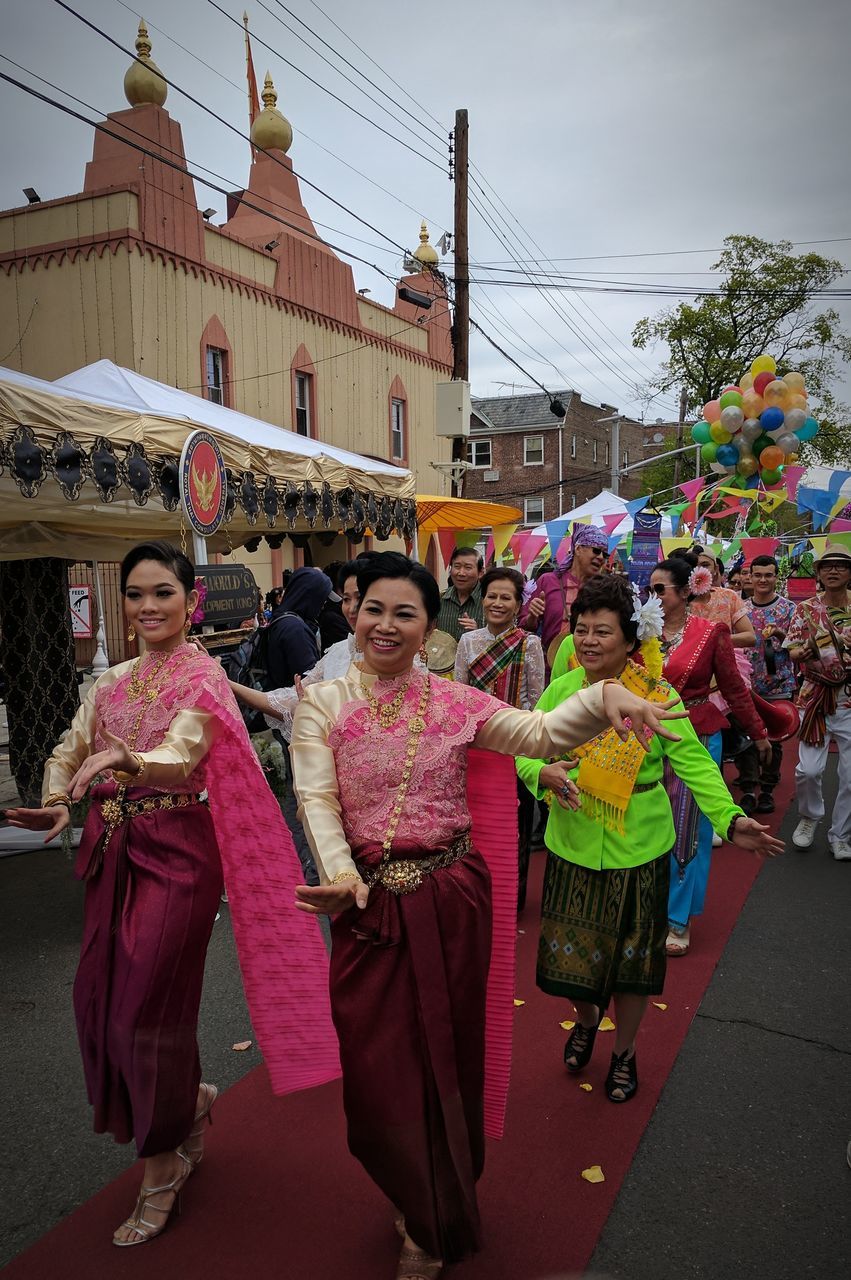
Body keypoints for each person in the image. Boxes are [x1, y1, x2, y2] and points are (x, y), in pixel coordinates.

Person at [287, 551, 686, 1279]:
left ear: (425, 626)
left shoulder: (456, 701)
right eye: (373, 608)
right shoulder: (321, 703)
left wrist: (602, 701)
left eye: (404, 612)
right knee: (376, 1072)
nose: (385, 624)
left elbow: (535, 734)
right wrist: (341, 876)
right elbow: (315, 798)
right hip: (367, 907)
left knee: (445, 1055)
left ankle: (429, 1208)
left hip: (450, 897)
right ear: (353, 614)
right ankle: (406, 1178)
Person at [4, 541, 337, 1247]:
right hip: (111, 853)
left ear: (193, 603)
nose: (147, 606)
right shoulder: (113, 680)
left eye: (162, 593)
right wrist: (59, 797)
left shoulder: (205, 678)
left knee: (141, 1010)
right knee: (99, 998)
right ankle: (185, 1104)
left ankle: (162, 1167)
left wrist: (132, 761)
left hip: (180, 855)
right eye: (135, 594)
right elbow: (71, 743)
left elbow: (183, 755)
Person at [516, 576, 781, 1102]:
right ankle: (588, 1021)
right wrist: (538, 774)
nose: (588, 641)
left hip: (641, 848)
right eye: (581, 630)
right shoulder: (564, 690)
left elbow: (697, 768)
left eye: (603, 632)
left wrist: (730, 820)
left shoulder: (657, 697)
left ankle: (624, 1052)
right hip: (571, 845)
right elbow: (523, 745)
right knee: (572, 969)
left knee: (633, 970)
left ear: (632, 641)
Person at [649, 555, 770, 957]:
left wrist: (758, 732)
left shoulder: (710, 633)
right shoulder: (639, 632)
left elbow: (734, 688)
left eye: (659, 590)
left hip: (696, 735)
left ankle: (678, 919)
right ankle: (648, 907)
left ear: (685, 592)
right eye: (648, 589)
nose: (651, 597)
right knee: (649, 823)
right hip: (645, 738)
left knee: (688, 829)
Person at [454, 567, 546, 910]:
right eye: (491, 595)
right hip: (475, 746)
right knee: (473, 822)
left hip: (514, 746)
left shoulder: (529, 643)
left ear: (517, 604)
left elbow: (536, 699)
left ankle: (512, 896)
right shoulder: (468, 641)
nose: (496, 602)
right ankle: (474, 892)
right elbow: (460, 695)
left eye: (505, 597)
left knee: (515, 824)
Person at [785, 542, 851, 859]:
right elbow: (793, 650)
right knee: (808, 770)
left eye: (840, 565)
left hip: (850, 701)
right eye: (827, 566)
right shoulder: (806, 609)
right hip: (815, 698)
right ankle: (810, 816)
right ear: (819, 573)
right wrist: (810, 648)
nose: (834, 570)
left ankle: (841, 834)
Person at [737, 556, 797, 814]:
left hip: (778, 683)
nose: (762, 580)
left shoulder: (789, 609)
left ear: (776, 577)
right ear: (750, 576)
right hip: (746, 684)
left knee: (774, 738)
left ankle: (768, 789)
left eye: (768, 575)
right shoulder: (740, 608)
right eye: (757, 575)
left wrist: (781, 636)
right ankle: (749, 789)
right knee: (747, 738)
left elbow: (797, 645)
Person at [519, 524, 608, 660]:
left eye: (605, 554)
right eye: (596, 550)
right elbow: (522, 628)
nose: (601, 557)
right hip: (549, 668)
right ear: (578, 549)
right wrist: (532, 616)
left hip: (589, 667)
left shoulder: (603, 589)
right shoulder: (547, 581)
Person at [265, 566, 339, 690]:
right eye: (322, 599)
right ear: (311, 597)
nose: (323, 605)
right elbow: (310, 683)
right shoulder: (296, 630)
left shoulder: (281, 619)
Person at [435, 545, 484, 640]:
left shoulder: (488, 601)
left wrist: (479, 633)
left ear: (480, 572)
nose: (461, 573)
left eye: (468, 568)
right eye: (457, 567)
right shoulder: (440, 599)